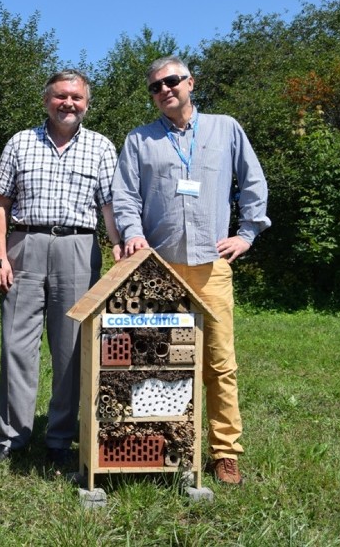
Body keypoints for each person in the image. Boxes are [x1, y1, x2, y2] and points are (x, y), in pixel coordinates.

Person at [111, 55, 271, 485]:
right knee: (158, 362)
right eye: (156, 87)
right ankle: (166, 442)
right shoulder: (140, 140)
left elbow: (253, 182)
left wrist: (248, 233)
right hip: (158, 269)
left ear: (190, 83)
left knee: (219, 363)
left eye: (172, 81)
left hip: (210, 266)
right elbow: (124, 196)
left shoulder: (225, 128)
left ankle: (224, 452)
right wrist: (132, 233)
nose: (165, 89)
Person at [0, 69, 122, 471]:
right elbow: (0, 203)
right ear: (46, 99)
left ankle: (60, 438)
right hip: (24, 244)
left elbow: (109, 206)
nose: (69, 103)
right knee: (16, 345)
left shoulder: (100, 146)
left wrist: (117, 244)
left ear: (87, 104)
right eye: (61, 96)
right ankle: (12, 437)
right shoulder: (20, 142)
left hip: (78, 247)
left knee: (71, 349)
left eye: (77, 98)